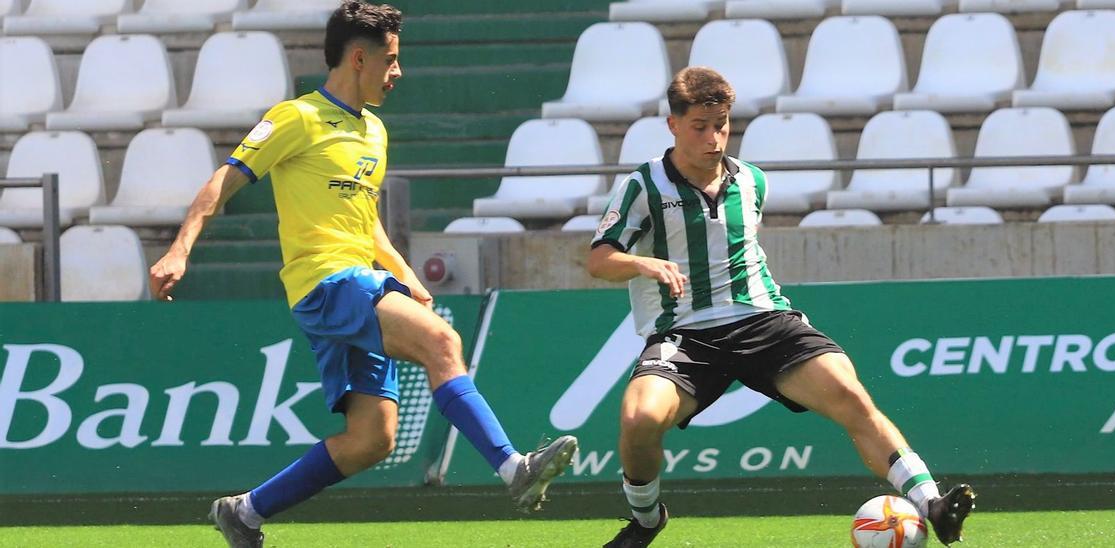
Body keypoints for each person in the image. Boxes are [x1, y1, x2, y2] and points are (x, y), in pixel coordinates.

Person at [148, 2, 578, 546]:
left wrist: (406, 277)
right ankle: (512, 468)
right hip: (325, 283)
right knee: (444, 342)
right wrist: (179, 250)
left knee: (371, 439)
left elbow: (366, 221)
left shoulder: (374, 130)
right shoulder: (295, 117)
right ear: (358, 58)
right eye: (391, 61)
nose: (398, 73)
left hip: (358, 283)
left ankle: (245, 512)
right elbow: (224, 181)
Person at [586, 67, 974, 548]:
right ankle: (646, 520)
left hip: (765, 321)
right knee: (638, 420)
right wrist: (644, 264)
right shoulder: (643, 186)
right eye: (700, 127)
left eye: (722, 125)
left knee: (851, 396)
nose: (714, 138)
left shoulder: (751, 182)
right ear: (673, 125)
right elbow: (599, 260)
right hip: (684, 335)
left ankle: (931, 504)